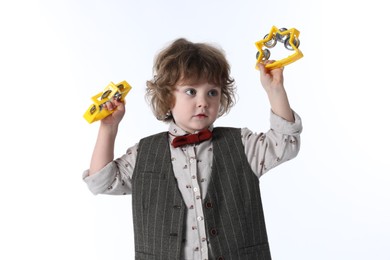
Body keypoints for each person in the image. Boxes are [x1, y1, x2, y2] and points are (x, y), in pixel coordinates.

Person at [83, 38, 302, 260]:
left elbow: (285, 144)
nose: (203, 102)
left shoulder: (242, 144)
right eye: (190, 91)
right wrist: (108, 129)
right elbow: (101, 182)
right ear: (168, 97)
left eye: (212, 92)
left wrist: (275, 91)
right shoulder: (144, 153)